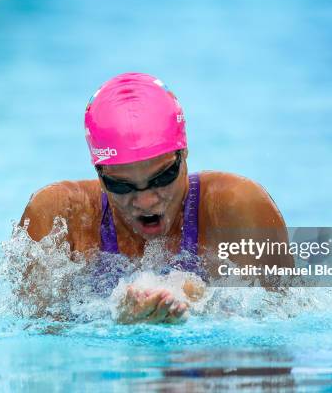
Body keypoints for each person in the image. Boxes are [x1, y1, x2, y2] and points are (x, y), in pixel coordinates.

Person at [19, 72, 293, 324]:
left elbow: (280, 331)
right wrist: (119, 325)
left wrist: (200, 305)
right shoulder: (59, 219)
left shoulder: (237, 208)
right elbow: (32, 340)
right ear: (99, 173)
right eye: (121, 185)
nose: (147, 202)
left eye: (162, 178)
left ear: (184, 153)